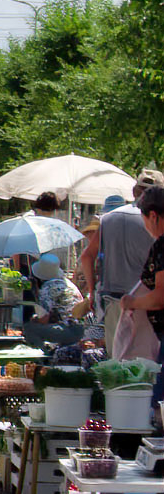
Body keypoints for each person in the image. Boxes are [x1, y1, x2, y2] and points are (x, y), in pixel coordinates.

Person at [80, 172, 163, 354]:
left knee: (117, 366)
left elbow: (86, 256)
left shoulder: (109, 218)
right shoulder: (152, 222)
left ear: (134, 191)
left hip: (113, 301)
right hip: (145, 306)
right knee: (145, 369)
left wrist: (93, 291)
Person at [120, 185, 164, 408]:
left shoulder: (162, 245)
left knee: (159, 406)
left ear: (153, 215)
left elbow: (160, 297)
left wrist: (133, 302)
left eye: (145, 219)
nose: (145, 226)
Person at [22, 253, 85, 349]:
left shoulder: (47, 288)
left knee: (29, 328)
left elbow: (44, 319)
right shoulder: (68, 283)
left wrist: (34, 320)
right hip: (81, 329)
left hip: (70, 331)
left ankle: (42, 357)